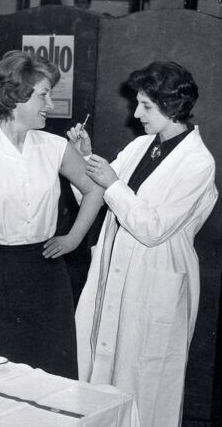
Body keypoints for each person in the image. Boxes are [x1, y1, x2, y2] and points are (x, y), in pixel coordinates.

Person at [73, 61, 216, 426]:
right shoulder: (141, 146)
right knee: (105, 381)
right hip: (120, 273)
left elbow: (153, 228)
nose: (137, 114)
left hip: (156, 279)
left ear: (172, 106)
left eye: (146, 106)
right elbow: (99, 199)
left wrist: (112, 182)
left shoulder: (198, 163)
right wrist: (84, 158)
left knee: (146, 391)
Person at [0, 50, 103, 378]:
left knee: (55, 381)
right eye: (43, 95)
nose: (49, 105)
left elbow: (96, 188)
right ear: (14, 96)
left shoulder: (55, 147)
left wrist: (74, 238)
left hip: (47, 276)